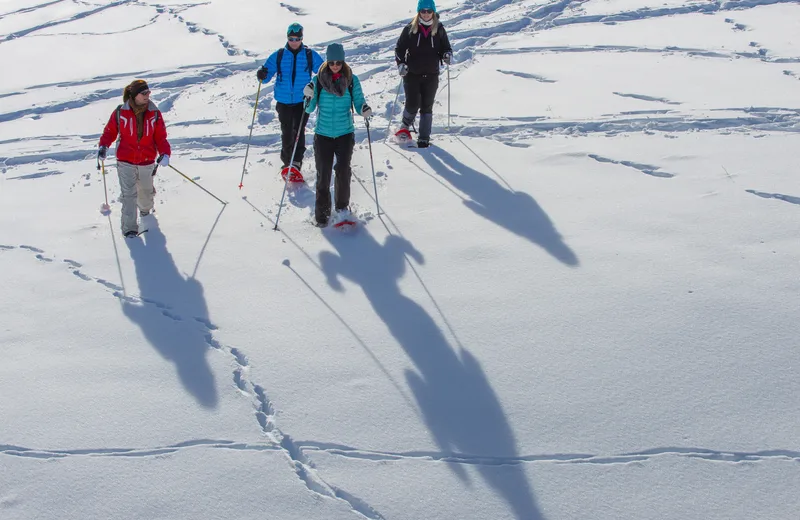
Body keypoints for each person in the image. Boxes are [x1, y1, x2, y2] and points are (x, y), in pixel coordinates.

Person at [303, 43, 371, 227]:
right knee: (323, 174)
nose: (335, 66)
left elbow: (358, 101)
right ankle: (322, 216)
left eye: (338, 62)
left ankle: (342, 210)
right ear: (327, 61)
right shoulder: (317, 80)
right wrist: (307, 96)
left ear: (343, 61)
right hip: (323, 134)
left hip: (345, 134)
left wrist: (364, 109)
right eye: (331, 62)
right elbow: (308, 108)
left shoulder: (351, 80)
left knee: (342, 170)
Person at [98, 80, 171, 238]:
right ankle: (130, 229)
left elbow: (161, 137)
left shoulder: (154, 113)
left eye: (148, 93)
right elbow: (110, 131)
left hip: (146, 161)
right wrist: (103, 146)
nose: (147, 96)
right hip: (125, 160)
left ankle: (146, 214)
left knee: (145, 193)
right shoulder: (120, 112)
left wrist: (165, 153)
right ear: (134, 95)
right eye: (143, 93)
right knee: (129, 195)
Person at [256, 23, 324, 179]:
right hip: (284, 100)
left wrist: (318, 84)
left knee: (298, 130)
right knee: (287, 131)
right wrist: (262, 74)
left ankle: (297, 162)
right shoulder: (279, 55)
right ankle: (287, 162)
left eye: (297, 38)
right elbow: (265, 78)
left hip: (302, 100)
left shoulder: (309, 55)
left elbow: (322, 71)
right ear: (287, 38)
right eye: (291, 38)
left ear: (302, 38)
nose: (294, 41)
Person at [394, 0, 452, 148]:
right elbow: (399, 49)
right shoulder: (410, 28)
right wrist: (401, 64)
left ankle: (424, 137)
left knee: (427, 105)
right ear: (419, 12)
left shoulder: (439, 29)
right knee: (413, 103)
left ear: (433, 12)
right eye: (423, 11)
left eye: (429, 11)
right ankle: (404, 127)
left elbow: (446, 47)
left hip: (431, 74)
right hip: (412, 73)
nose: (426, 14)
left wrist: (446, 55)